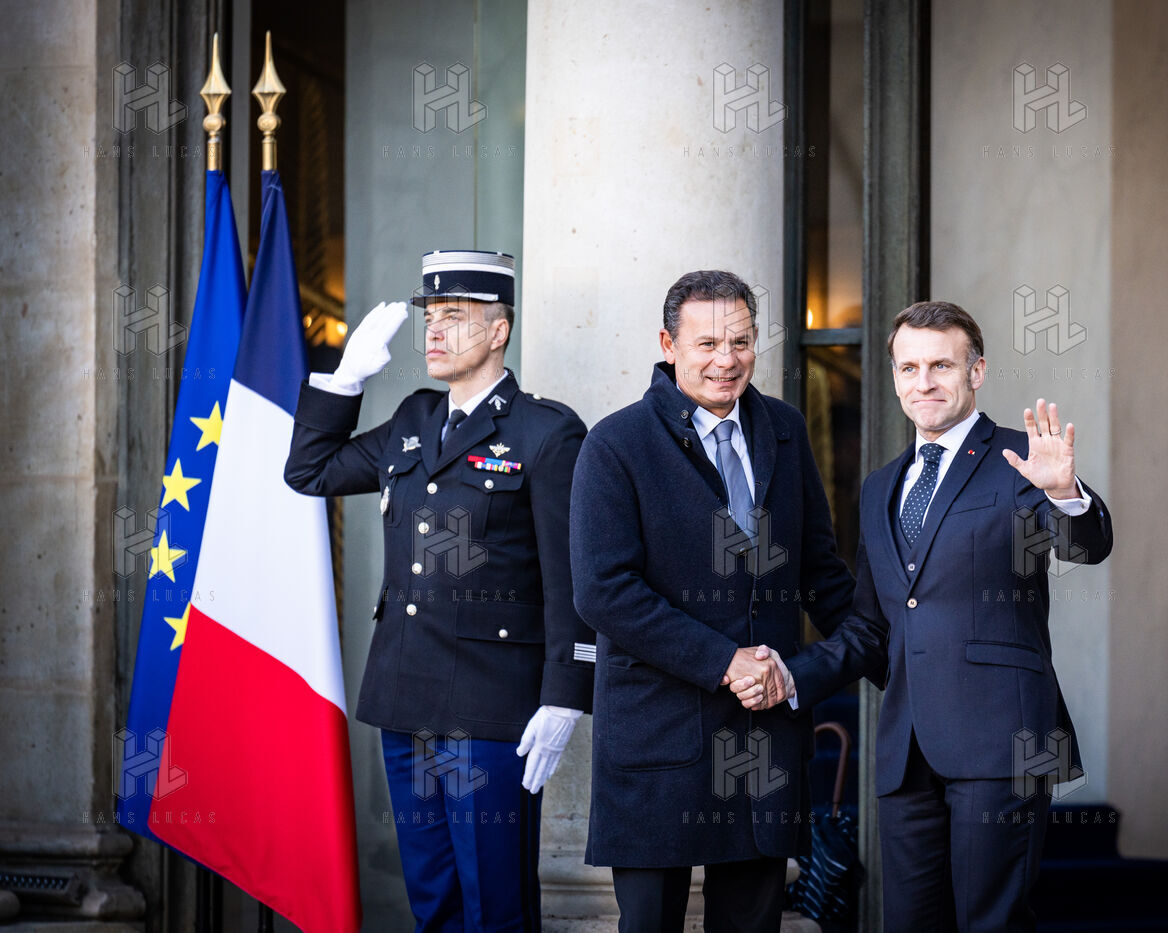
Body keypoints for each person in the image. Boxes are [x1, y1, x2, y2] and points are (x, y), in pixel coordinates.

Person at [284, 250, 595, 933]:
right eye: (430, 317)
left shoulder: (545, 433)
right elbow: (310, 471)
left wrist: (565, 695)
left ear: (498, 330)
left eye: (454, 316)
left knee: (496, 909)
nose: (434, 331)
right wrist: (344, 379)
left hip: (489, 707)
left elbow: (570, 578)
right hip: (405, 697)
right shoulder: (413, 419)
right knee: (433, 905)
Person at [569, 269, 884, 933]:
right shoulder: (615, 444)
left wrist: (900, 659)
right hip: (658, 739)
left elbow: (820, 574)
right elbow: (605, 592)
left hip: (763, 743)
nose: (726, 360)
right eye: (707, 343)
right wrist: (724, 661)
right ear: (668, 344)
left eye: (740, 342)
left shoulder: (785, 429)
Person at [858, 300, 1113, 932]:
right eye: (909, 367)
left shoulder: (1024, 460)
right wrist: (787, 676)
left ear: (976, 372)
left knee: (990, 924)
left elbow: (1086, 547)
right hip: (907, 749)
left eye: (941, 365)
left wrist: (1064, 494)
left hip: (1004, 741)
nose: (924, 382)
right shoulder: (879, 487)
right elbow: (871, 624)